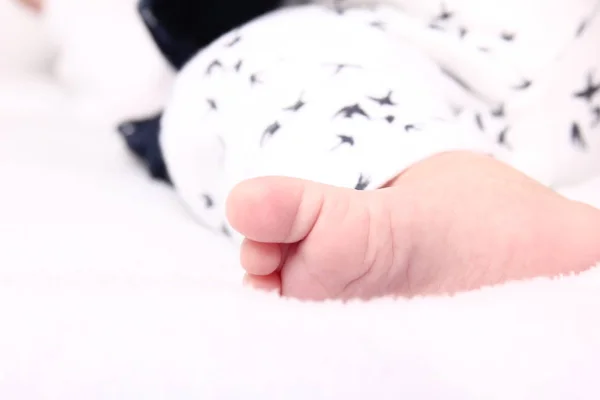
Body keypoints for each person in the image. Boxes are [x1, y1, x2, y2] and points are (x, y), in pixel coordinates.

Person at [22, 0, 600, 300]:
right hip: (398, 69)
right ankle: (449, 198)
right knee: (249, 70)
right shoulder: (95, 25)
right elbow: (146, 79)